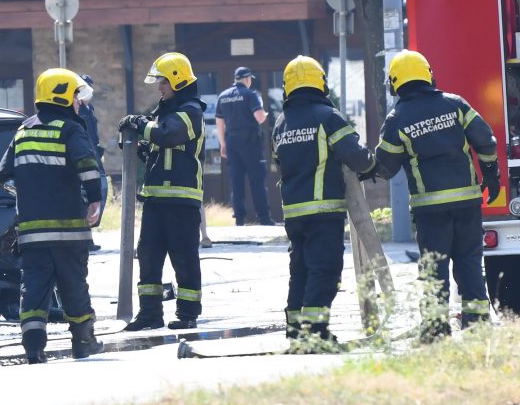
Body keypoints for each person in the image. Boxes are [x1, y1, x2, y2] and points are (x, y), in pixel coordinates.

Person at [371, 50, 500, 343]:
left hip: (430, 210)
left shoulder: (397, 119)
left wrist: (362, 167)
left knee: (434, 269)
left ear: (394, 84)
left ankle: (435, 330)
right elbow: (486, 141)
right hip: (467, 203)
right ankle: (477, 325)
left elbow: (385, 168)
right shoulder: (455, 105)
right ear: (428, 74)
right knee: (469, 262)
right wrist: (491, 175)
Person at [0, 67, 106, 364]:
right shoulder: (70, 129)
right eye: (75, 96)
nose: (78, 103)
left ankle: (34, 348)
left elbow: (4, 176)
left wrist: (31, 196)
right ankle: (83, 342)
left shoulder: (23, 130)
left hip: (32, 232)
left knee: (34, 288)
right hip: (69, 229)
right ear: (61, 96)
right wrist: (95, 200)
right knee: (74, 284)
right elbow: (87, 165)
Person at [275, 55, 375, 353]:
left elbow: (278, 162)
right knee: (325, 269)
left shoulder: (282, 122)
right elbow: (355, 156)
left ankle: (295, 330)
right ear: (321, 83)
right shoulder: (327, 116)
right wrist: (371, 165)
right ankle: (316, 333)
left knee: (301, 269)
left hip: (294, 212)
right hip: (324, 209)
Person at [121, 51, 208, 332]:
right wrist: (135, 145)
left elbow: (168, 135)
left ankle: (187, 312)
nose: (159, 87)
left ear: (177, 81)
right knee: (148, 255)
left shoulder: (191, 112)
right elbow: (157, 144)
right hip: (156, 198)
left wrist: (141, 125)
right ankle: (149, 314)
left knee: (183, 256)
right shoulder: (164, 114)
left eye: (163, 82)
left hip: (182, 199)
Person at [215, 65, 273, 225]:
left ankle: (239, 218)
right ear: (247, 79)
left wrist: (223, 144)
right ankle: (264, 218)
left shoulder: (223, 96)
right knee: (257, 179)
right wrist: (266, 113)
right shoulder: (250, 95)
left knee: (236, 181)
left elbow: (219, 122)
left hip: (231, 142)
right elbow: (260, 118)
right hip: (250, 142)